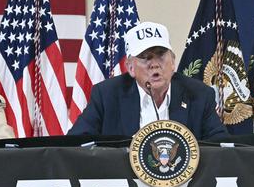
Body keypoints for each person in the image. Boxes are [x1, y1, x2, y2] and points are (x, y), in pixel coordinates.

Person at [69, 21, 228, 139]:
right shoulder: (107, 94)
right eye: (146, 58)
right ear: (131, 67)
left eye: (160, 55)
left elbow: (221, 147)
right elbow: (76, 142)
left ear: (172, 62)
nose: (155, 65)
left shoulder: (199, 94)